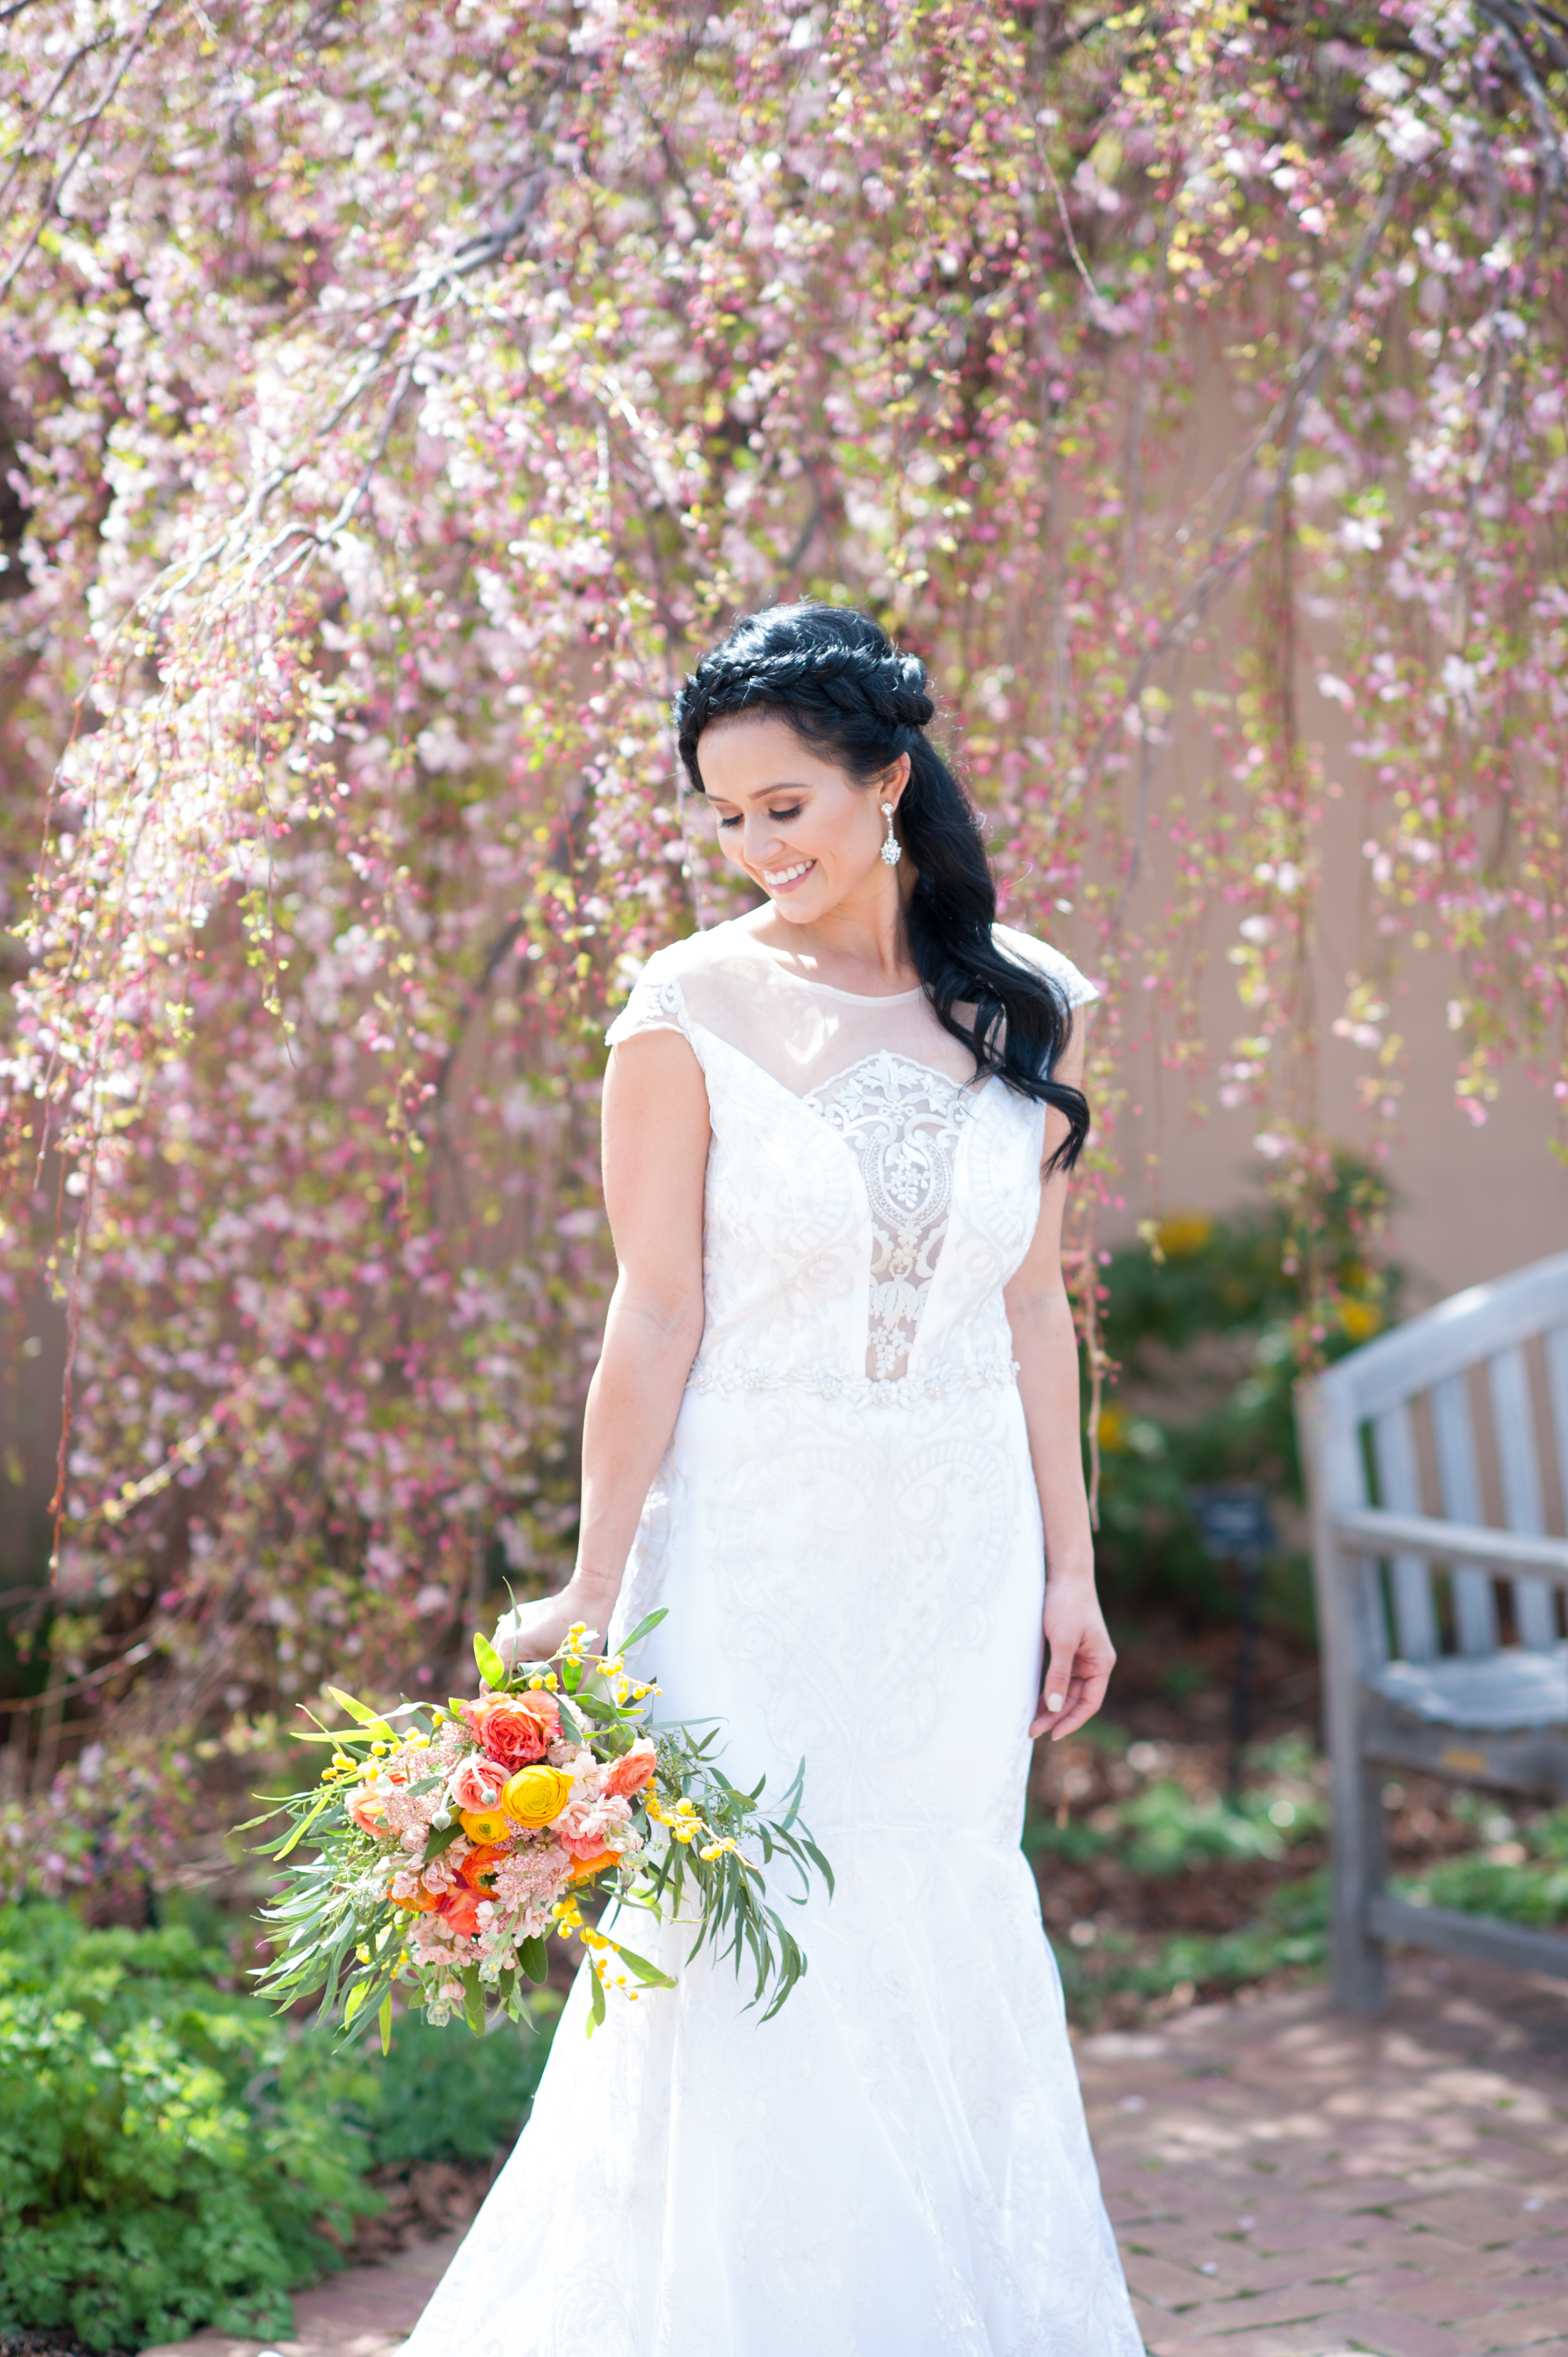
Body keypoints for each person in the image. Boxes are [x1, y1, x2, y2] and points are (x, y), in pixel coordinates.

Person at [401, 604, 1143, 2356]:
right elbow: (653, 1314)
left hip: (953, 1563)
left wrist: (1068, 1570)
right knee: (737, 1955)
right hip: (750, 1549)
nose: (758, 849)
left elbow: (1032, 1312)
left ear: (887, 782)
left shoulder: (1026, 1002)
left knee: (939, 1921)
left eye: (788, 805)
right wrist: (593, 1591)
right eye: (726, 815)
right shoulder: (686, 1002)